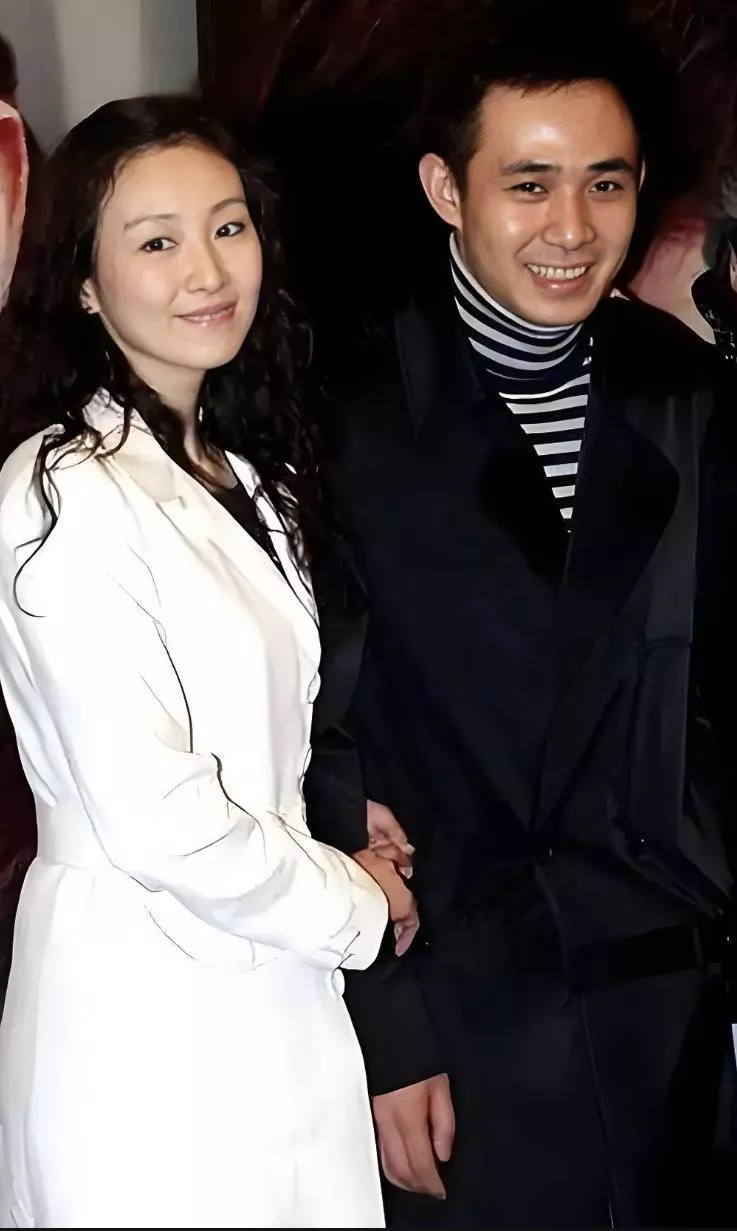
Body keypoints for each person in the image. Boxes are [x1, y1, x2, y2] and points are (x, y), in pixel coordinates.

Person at [305, 18, 737, 1230]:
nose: (571, 228)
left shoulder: (687, 393)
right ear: (446, 190)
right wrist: (385, 1026)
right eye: (528, 183)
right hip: (462, 1015)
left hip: (668, 991)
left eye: (605, 183)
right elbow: (313, 739)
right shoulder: (342, 417)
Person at [0, 95, 418, 1228]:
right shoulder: (62, 491)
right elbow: (154, 809)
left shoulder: (236, 468)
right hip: (141, 1014)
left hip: (264, 985)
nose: (207, 270)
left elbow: (253, 731)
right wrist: (354, 900)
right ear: (83, 283)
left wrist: (328, 819)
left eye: (228, 226)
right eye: (156, 241)